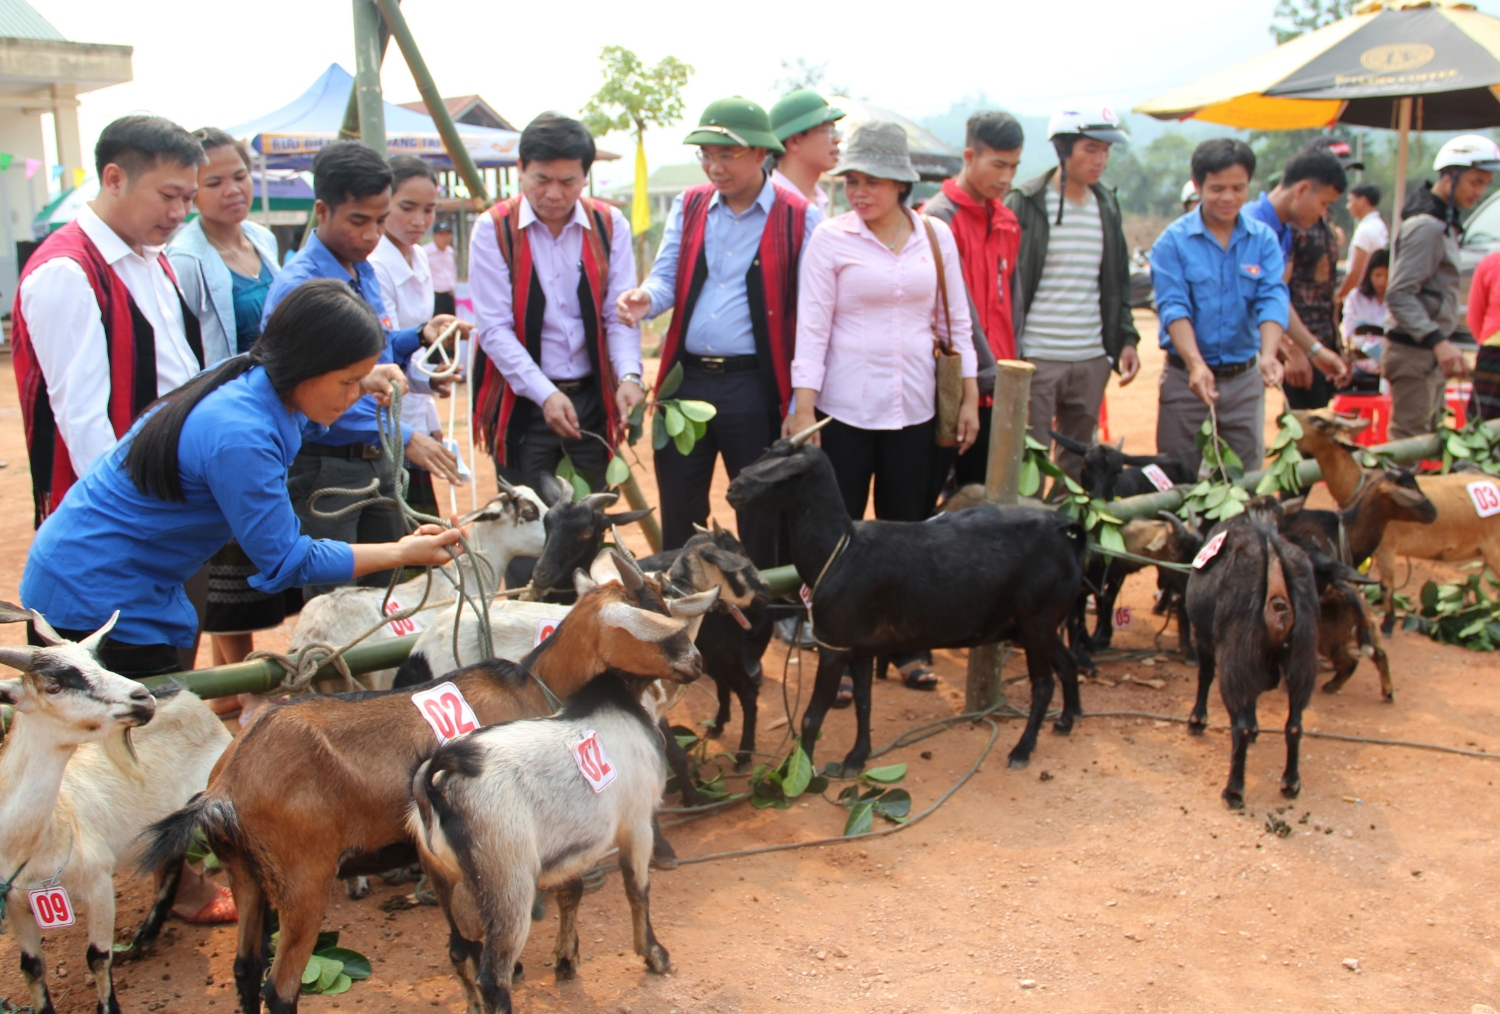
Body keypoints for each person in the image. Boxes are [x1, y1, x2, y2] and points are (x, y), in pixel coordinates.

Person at [20, 280, 464, 917]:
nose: (355, 394)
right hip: (98, 594)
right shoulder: (242, 433)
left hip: (137, 578)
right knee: (147, 742)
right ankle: (161, 886)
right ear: (306, 367)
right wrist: (401, 552)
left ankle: (159, 876)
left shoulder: (257, 386)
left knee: (151, 731)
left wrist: (364, 378)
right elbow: (284, 560)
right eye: (347, 381)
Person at [787, 121, 978, 692]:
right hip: (842, 411)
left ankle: (906, 649)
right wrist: (803, 411)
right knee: (839, 539)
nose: (859, 191)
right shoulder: (831, 239)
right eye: (852, 180)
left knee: (909, 532)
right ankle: (840, 656)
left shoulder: (936, 237)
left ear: (900, 183)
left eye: (872, 180)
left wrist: (969, 395)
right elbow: (812, 329)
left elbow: (956, 322)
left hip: (915, 409)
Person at [616, 97, 822, 564]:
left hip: (755, 386)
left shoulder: (799, 216)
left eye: (726, 155)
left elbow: (814, 315)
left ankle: (763, 601)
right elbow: (666, 276)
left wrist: (799, 404)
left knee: (760, 510)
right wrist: (646, 297)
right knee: (680, 506)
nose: (715, 167)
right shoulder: (690, 205)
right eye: (706, 155)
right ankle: (684, 598)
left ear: (760, 152)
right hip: (685, 383)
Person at [262, 141, 469, 594]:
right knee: (336, 604)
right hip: (328, 467)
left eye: (380, 220)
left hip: (378, 463)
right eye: (359, 221)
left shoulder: (361, 270)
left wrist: (419, 336)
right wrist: (404, 436)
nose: (373, 235)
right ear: (322, 210)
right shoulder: (301, 288)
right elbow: (310, 390)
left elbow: (372, 353)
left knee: (392, 596)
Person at [12, 115, 206, 528]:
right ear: (114, 179)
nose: (179, 213)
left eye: (188, 198)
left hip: (173, 488)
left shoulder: (153, 256)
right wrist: (130, 517)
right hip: (123, 510)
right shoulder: (67, 272)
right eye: (168, 195)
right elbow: (84, 422)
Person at [470, 113, 642, 508]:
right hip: (523, 403)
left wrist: (629, 375)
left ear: (585, 177)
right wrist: (545, 394)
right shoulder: (493, 229)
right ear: (521, 169)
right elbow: (494, 329)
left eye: (568, 182)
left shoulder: (609, 225)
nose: (553, 194)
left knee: (589, 520)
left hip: (593, 401)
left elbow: (619, 315)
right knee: (528, 523)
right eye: (542, 179)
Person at [167, 128, 287, 669]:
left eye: (239, 176)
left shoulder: (263, 239)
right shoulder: (184, 258)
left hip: (269, 409)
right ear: (191, 191)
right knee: (227, 558)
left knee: (247, 551)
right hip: (222, 416)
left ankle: (228, 686)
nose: (232, 190)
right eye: (213, 182)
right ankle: (237, 686)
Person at [1005, 103, 1140, 479]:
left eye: (1106, 151)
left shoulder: (1106, 204)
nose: (1100, 160)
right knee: (1028, 462)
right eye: (1091, 149)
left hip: (1091, 357)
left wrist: (1126, 338)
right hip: (1037, 356)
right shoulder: (1026, 202)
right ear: (1062, 148)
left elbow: (1118, 280)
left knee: (1077, 466)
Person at [1150, 139, 1288, 474]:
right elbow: (1173, 307)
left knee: (1245, 478)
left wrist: (1269, 354)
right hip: (1186, 380)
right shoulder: (1172, 243)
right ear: (1197, 186)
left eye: (1238, 188)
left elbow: (1271, 297)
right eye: (1217, 189)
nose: (1228, 198)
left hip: (1244, 382)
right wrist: (1196, 365)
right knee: (1177, 478)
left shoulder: (1263, 240)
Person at [920, 110, 1023, 489]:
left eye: (1014, 166)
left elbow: (1014, 304)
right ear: (969, 156)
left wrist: (1011, 368)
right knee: (935, 494)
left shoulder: (1007, 220)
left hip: (999, 386)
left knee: (988, 492)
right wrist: (984, 373)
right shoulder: (937, 220)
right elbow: (953, 310)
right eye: (998, 165)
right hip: (954, 385)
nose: (1006, 177)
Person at [1385, 135, 1500, 437]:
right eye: (1475, 182)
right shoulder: (1426, 227)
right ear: (1450, 176)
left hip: (1428, 352)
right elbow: (1399, 294)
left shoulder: (1443, 224)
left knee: (1429, 440)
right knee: (1409, 443)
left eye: (1485, 184)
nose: (1479, 192)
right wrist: (1437, 340)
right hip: (1414, 351)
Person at [370, 155, 447, 519]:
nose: (419, 220)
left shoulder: (419, 256)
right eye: (407, 207)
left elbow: (413, 339)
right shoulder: (373, 263)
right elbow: (383, 349)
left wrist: (431, 382)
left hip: (413, 405)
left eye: (428, 210)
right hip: (381, 412)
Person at [1245, 146, 1351, 408]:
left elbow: (1275, 296)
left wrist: (1314, 350)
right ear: (1301, 189)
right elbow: (1249, 300)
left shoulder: (1283, 234)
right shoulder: (1249, 228)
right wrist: (1290, 349)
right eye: (1324, 204)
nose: (1323, 214)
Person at [768, 89, 844, 214]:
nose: (837, 139)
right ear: (794, 141)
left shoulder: (818, 200)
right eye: (827, 129)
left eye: (835, 130)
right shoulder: (767, 205)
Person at [1336, 181, 1386, 306]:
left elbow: (1356, 272)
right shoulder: (1380, 226)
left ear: (1363, 201)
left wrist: (1339, 295)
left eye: (1350, 201)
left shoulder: (1365, 230)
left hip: (1361, 300)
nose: (1348, 206)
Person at [1342, 247, 1390, 364]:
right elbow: (1348, 331)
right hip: (1359, 360)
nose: (1382, 281)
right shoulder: (1356, 298)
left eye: (1387, 276)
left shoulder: (1398, 300)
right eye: (1377, 275)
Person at [1469, 248, 1500, 420]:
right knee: (1485, 425)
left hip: (1493, 353)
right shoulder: (1491, 264)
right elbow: (1474, 316)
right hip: (1494, 358)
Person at [424, 219, 458, 317]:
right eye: (441, 234)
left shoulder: (450, 251)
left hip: (449, 294)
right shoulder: (425, 252)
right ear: (434, 236)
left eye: (448, 234)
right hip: (435, 296)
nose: (445, 238)